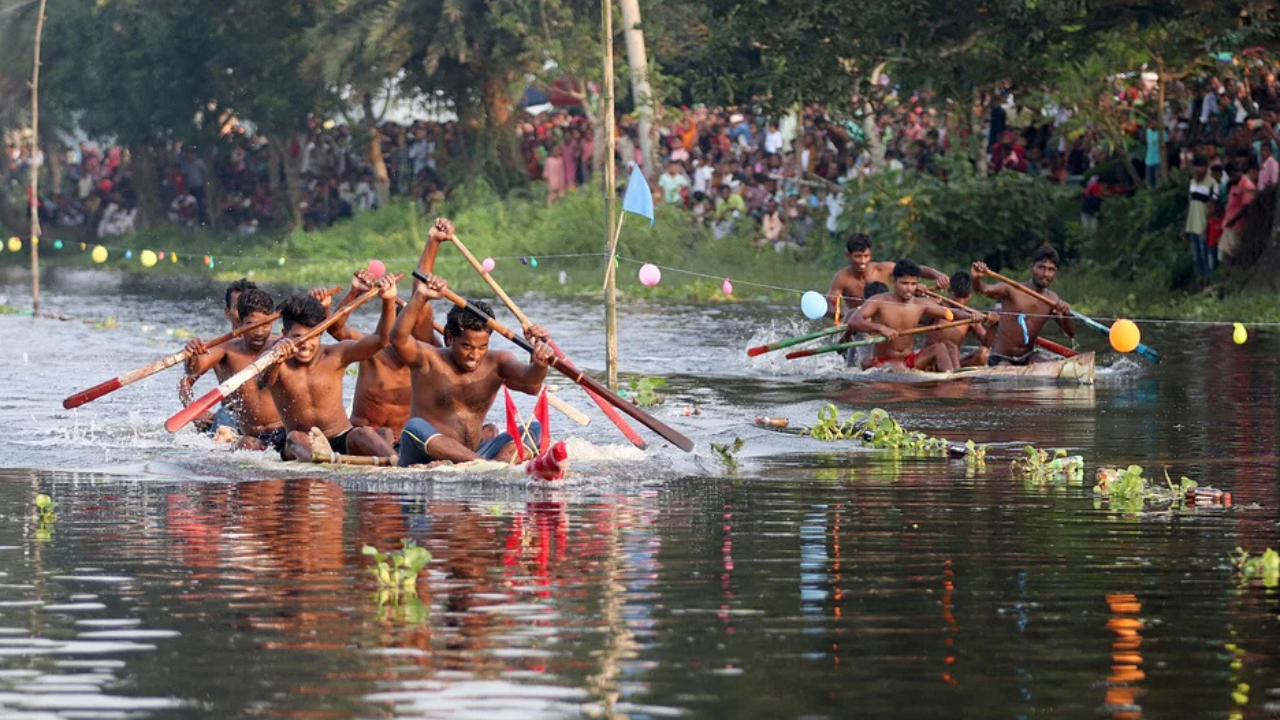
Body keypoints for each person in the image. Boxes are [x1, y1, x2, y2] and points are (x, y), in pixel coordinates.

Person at [392, 219, 557, 466]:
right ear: (450, 338)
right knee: (414, 427)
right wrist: (421, 295)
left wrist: (540, 361)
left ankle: (494, 468)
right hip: (426, 453)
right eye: (467, 346)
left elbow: (531, 384)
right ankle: (490, 468)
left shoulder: (497, 362)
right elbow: (398, 338)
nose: (474, 355)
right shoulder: (428, 359)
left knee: (533, 428)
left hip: (475, 456)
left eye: (482, 347)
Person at [258, 278, 401, 462]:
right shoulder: (275, 357)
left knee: (364, 433)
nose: (306, 345)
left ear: (321, 333)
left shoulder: (336, 354)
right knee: (295, 438)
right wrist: (276, 361)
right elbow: (262, 382)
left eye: (313, 336)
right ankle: (321, 465)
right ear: (285, 335)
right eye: (298, 337)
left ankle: (398, 463)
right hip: (303, 442)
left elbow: (381, 340)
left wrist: (389, 299)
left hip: (339, 437)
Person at [320, 270, 440, 443]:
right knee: (382, 435)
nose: (410, 342)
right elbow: (335, 329)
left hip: (401, 443)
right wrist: (356, 292)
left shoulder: (428, 357)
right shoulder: (372, 349)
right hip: (363, 438)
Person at [181, 288, 286, 451]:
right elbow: (192, 372)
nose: (259, 333)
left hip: (283, 431)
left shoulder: (282, 345)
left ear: (272, 323)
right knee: (244, 443)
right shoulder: (225, 349)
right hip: (248, 434)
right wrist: (192, 356)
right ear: (240, 323)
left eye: (265, 325)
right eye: (251, 325)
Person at [847, 260, 977, 372]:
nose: (909, 289)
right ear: (894, 282)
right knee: (898, 366)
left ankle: (950, 380)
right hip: (884, 361)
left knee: (940, 347)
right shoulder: (878, 301)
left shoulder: (921, 304)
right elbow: (853, 321)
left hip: (911, 360)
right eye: (904, 283)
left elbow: (951, 313)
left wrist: (972, 316)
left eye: (913, 284)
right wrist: (880, 328)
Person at [971, 247, 1075, 366]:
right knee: (1005, 369)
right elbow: (982, 290)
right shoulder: (1011, 289)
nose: (1046, 274)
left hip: (1028, 357)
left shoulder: (1052, 299)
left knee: (1049, 364)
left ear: (1055, 272)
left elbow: (1070, 333)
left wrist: (1066, 314)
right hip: (1002, 358)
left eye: (1051, 270)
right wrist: (976, 279)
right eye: (1041, 268)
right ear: (1032, 267)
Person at [826, 233, 949, 318]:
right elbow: (829, 306)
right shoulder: (842, 278)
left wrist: (938, 275)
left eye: (866, 256)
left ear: (871, 254)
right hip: (859, 324)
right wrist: (845, 314)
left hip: (887, 319)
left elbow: (916, 269)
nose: (863, 261)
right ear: (848, 255)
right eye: (858, 256)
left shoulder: (883, 269)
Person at [921, 272, 996, 368]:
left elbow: (986, 343)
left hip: (953, 362)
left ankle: (956, 372)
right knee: (950, 346)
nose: (959, 302)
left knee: (983, 354)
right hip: (930, 360)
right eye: (957, 296)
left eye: (963, 297)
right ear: (949, 291)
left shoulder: (971, 316)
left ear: (969, 296)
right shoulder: (937, 308)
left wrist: (993, 325)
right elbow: (919, 316)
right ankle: (954, 372)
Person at [1184, 157, 1215, 280]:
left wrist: (1207, 224)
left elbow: (1214, 207)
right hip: (1192, 225)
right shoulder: (1192, 182)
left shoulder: (1212, 183)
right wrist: (1185, 225)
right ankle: (1200, 280)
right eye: (1195, 167)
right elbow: (1190, 204)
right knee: (1196, 256)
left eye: (1200, 166)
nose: (1197, 170)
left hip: (1203, 225)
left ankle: (1208, 280)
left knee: (1205, 254)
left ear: (1206, 167)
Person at [1220, 158, 1257, 264]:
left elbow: (1246, 206)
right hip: (1228, 224)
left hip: (1237, 226)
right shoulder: (1233, 183)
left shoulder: (1246, 185)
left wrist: (1233, 220)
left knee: (1234, 254)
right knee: (1224, 254)